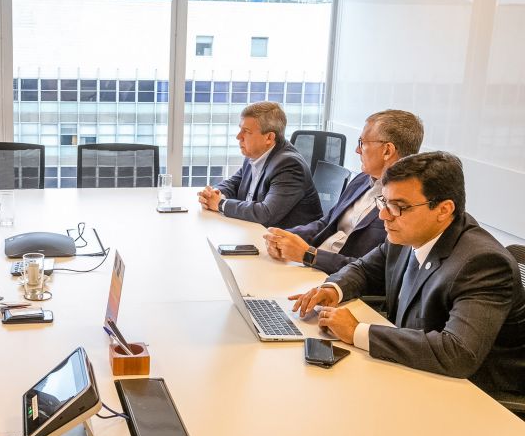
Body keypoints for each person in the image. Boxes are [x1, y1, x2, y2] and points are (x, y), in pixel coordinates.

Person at [291, 152, 525, 394]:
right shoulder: (407, 233)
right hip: (414, 369)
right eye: (384, 202)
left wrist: (358, 332)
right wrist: (332, 289)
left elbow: (458, 352)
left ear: (444, 210)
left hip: (475, 394)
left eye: (399, 207)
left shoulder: (482, 262)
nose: (384, 215)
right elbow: (365, 268)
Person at [263, 110, 424, 274]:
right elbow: (326, 223)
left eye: (362, 143)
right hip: (311, 268)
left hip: (338, 280)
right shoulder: (362, 180)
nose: (357, 150)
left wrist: (309, 255)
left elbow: (375, 270)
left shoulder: (407, 205)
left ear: (387, 150)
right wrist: (283, 237)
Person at [197, 102, 322, 228]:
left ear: (269, 137)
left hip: (284, 241)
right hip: (254, 232)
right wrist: (214, 193)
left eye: (246, 131)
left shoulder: (289, 166)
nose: (238, 136)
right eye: (240, 129)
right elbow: (234, 183)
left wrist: (220, 204)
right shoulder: (254, 154)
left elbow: (266, 214)